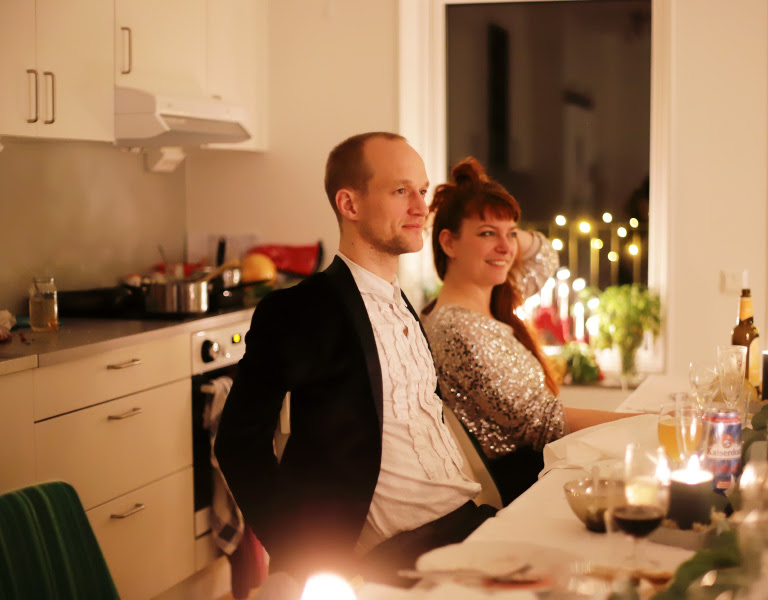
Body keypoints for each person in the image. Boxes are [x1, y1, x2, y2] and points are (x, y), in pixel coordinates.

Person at [214, 133, 493, 589]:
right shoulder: (301, 310)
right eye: (401, 191)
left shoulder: (403, 304)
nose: (420, 207)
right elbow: (237, 443)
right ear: (350, 204)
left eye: (422, 191)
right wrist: (296, 555)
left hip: (468, 522)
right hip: (398, 553)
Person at [422, 157, 636, 506]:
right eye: (486, 233)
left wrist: (490, 211)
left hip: (540, 472)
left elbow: (544, 255)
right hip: (526, 491)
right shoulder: (456, 330)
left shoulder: (494, 299)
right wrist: (645, 422)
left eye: (511, 234)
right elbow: (545, 423)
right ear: (449, 243)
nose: (507, 247)